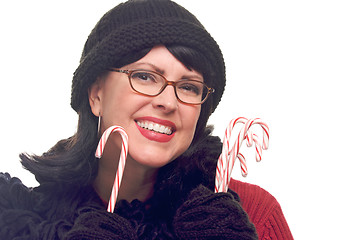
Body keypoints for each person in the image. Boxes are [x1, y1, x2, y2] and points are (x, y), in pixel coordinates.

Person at [0, 0, 293, 239]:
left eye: (188, 86)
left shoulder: (251, 213)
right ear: (96, 95)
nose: (167, 101)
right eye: (145, 76)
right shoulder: (23, 222)